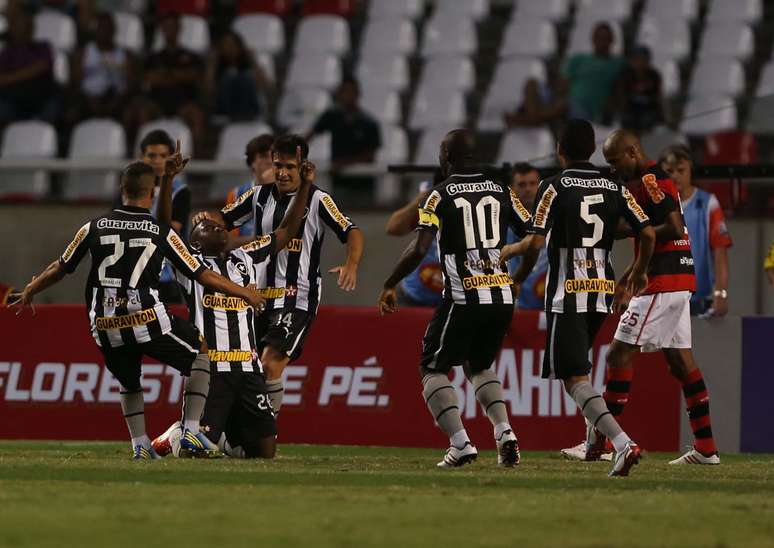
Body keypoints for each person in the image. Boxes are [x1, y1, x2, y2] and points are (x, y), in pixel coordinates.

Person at [10, 160, 266, 459]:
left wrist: (30, 290)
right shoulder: (159, 231)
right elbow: (201, 273)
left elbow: (61, 267)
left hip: (104, 323)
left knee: (129, 382)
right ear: (152, 193)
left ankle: (140, 445)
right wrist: (245, 292)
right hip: (146, 318)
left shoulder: (93, 226)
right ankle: (192, 432)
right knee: (201, 352)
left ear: (122, 190)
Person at [504, 120, 655, 477]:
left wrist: (517, 270)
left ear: (560, 150)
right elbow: (647, 232)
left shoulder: (552, 186)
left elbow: (537, 241)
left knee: (573, 378)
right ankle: (593, 445)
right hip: (602, 291)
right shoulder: (615, 186)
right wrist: (638, 271)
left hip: (567, 292)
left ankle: (621, 443)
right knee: (581, 371)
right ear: (591, 150)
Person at [562, 129, 720, 466]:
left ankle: (601, 442)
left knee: (619, 354)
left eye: (616, 161)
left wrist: (637, 269)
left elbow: (673, 227)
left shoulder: (651, 179)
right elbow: (648, 226)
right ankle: (706, 448)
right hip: (678, 278)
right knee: (681, 363)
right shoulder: (649, 181)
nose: (614, 168)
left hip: (662, 281)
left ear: (633, 151)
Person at [378, 129, 531, 469]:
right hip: (501, 294)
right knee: (479, 365)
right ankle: (505, 432)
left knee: (432, 367)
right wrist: (516, 271)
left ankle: (460, 443)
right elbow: (534, 233)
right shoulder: (502, 191)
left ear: (446, 156)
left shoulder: (437, 195)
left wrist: (391, 282)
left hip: (463, 295)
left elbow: (419, 247)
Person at [152, 145, 315, 460]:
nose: (216, 226)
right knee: (195, 453)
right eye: (206, 226)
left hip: (249, 368)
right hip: (214, 370)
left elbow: (286, 231)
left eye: (218, 224)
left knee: (264, 453)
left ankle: (213, 438)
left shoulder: (246, 257)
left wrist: (305, 186)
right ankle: (177, 436)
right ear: (194, 240)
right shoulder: (189, 262)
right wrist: (169, 179)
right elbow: (162, 232)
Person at [192, 134, 365, 416]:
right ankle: (237, 431)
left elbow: (351, 231)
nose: (282, 173)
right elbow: (223, 218)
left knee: (271, 363)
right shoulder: (259, 195)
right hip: (258, 295)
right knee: (246, 365)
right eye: (278, 166)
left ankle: (265, 431)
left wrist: (352, 264)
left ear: (303, 166)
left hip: (297, 296)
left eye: (289, 167)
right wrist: (205, 219)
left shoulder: (319, 199)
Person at [113, 129, 191, 303]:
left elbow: (170, 229)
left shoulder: (180, 191)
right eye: (152, 155)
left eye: (163, 156)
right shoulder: (128, 186)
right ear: (141, 156)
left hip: (167, 274)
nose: (157, 161)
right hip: (130, 273)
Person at [660, 145, 731, 316]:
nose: (675, 176)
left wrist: (720, 292)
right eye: (669, 171)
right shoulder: (654, 206)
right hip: (662, 300)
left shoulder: (708, 203)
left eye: (680, 170)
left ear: (690, 169)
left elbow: (720, 251)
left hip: (700, 300)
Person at [307, 76, 382, 205]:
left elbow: (370, 156)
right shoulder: (332, 116)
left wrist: (344, 164)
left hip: (363, 183)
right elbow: (310, 135)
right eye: (345, 92)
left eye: (351, 92)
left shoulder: (369, 123)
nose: (348, 96)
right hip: (340, 182)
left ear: (358, 94)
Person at [138, 12, 205, 155]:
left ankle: (197, 160)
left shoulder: (191, 55)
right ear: (162, 29)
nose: (169, 30)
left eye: (173, 27)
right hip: (158, 102)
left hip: (183, 103)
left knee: (197, 115)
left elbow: (192, 76)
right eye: (166, 27)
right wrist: (177, 75)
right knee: (143, 112)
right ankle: (141, 158)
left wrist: (165, 76)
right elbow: (150, 78)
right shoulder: (153, 57)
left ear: (179, 28)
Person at [384, 177, 444, 307]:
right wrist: (420, 200)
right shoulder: (427, 208)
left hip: (455, 297)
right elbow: (392, 228)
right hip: (414, 294)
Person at [0, 9, 61, 128]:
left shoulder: (44, 47)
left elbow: (43, 66)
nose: (23, 30)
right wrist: (27, 74)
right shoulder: (7, 53)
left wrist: (12, 77)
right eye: (18, 26)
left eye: (27, 26)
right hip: (14, 100)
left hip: (42, 97)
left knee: (54, 104)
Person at [71, 12, 137, 121]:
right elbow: (76, 82)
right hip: (88, 98)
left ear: (114, 30)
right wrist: (90, 99)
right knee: (74, 109)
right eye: (101, 27)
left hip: (116, 98)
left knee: (130, 111)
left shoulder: (125, 55)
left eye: (108, 28)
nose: (104, 31)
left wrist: (116, 101)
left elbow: (130, 83)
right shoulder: (84, 53)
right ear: (96, 30)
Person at [504, 163, 549, 310]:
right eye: (522, 185)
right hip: (508, 308)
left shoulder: (553, 224)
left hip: (545, 307)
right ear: (512, 189)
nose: (528, 189)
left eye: (532, 183)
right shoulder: (499, 226)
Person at [562, 22, 625, 123]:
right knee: (532, 84)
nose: (602, 42)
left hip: (586, 108)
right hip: (568, 102)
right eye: (599, 38)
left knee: (567, 109)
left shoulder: (617, 64)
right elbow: (563, 84)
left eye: (605, 39)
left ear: (612, 41)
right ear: (593, 38)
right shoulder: (578, 59)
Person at [206, 30, 272, 123]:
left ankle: (243, 114)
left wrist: (253, 61)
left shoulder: (248, 63)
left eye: (231, 44)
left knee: (246, 78)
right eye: (224, 45)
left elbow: (266, 86)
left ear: (239, 46)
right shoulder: (217, 65)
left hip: (249, 110)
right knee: (227, 79)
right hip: (226, 110)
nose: (229, 48)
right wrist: (212, 65)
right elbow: (209, 91)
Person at [225, 134, 275, 241]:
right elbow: (230, 240)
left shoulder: (287, 193)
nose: (270, 161)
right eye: (264, 156)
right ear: (252, 162)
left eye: (273, 156)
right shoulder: (236, 193)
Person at [617, 46, 663, 133]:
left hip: (648, 109)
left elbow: (657, 97)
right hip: (630, 108)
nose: (640, 63)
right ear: (632, 61)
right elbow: (621, 95)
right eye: (637, 59)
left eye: (644, 60)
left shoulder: (654, 75)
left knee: (647, 120)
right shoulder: (625, 75)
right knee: (627, 119)